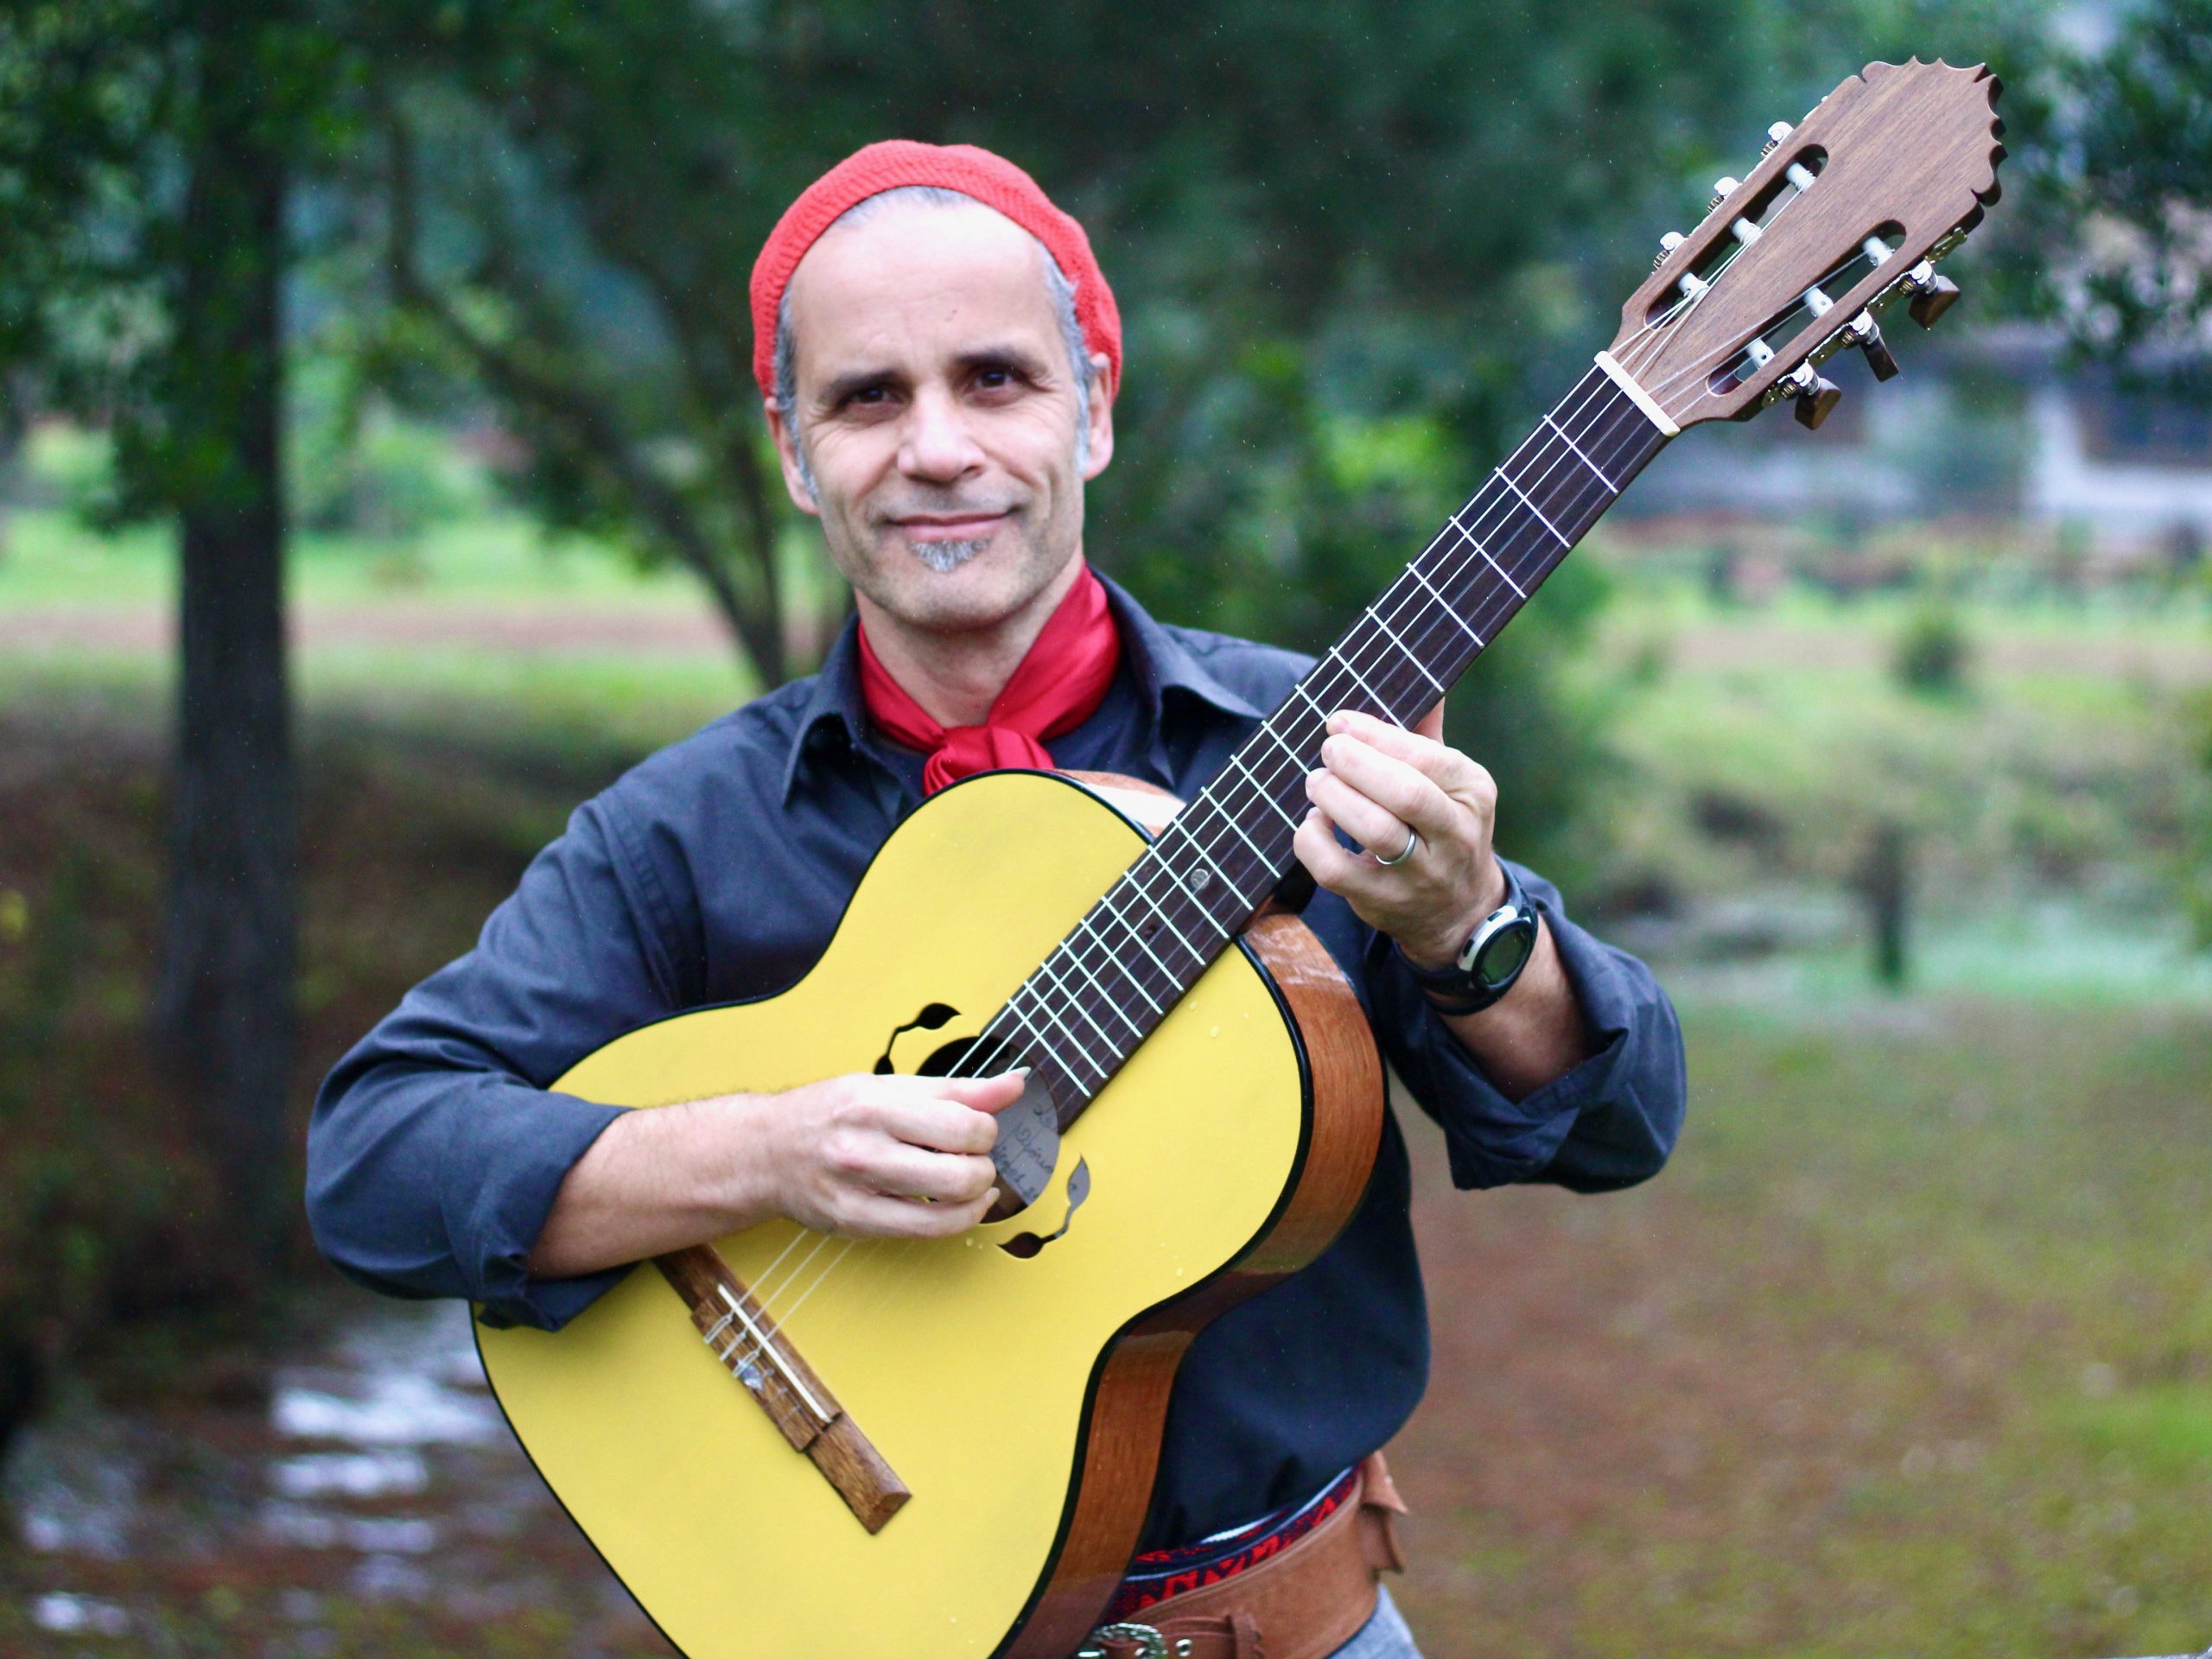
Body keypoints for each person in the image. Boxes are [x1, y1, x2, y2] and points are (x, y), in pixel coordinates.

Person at [308, 140, 1688, 1659]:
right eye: (868, 398)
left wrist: (1465, 927)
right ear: (791, 447)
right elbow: (375, 1156)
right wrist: (766, 1150)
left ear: (1092, 410)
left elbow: (1617, 1126)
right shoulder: (686, 833)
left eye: (996, 380)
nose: (938, 447)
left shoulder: (1317, 754)